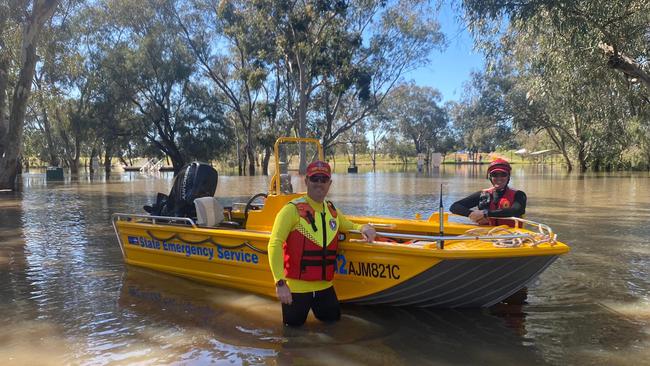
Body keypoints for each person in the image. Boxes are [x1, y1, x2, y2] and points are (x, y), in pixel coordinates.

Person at [267, 160, 376, 327]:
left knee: (334, 326)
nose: (319, 183)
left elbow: (347, 224)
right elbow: (274, 244)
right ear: (306, 181)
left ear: (329, 183)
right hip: (296, 289)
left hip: (325, 287)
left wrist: (363, 227)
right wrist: (280, 284)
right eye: (314, 179)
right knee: (292, 337)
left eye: (323, 179)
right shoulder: (291, 210)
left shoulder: (331, 210)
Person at [449, 158, 526, 227]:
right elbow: (454, 206)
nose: (499, 178)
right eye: (495, 175)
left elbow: (516, 210)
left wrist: (485, 213)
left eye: (503, 174)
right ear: (490, 177)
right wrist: (471, 214)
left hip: (511, 237)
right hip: (486, 236)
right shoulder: (482, 194)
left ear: (508, 177)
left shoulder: (519, 195)